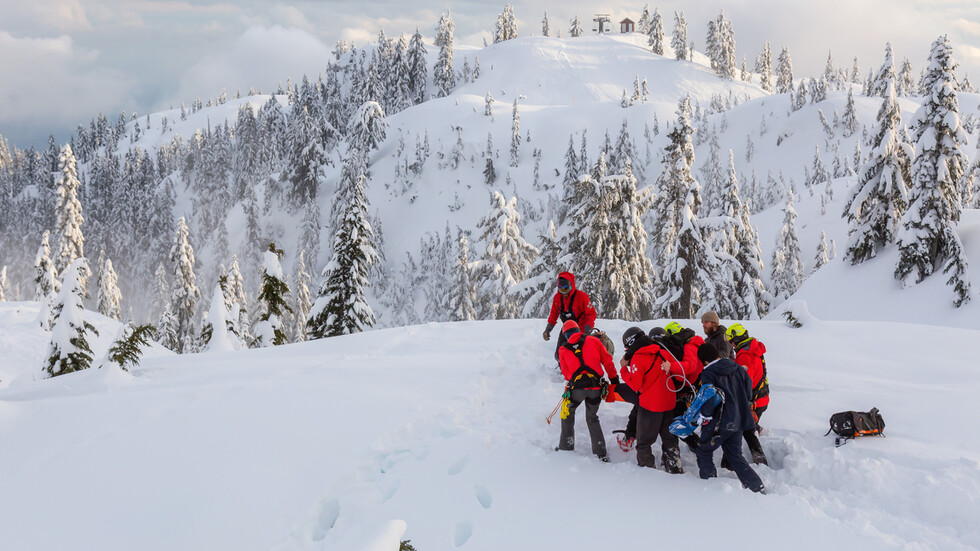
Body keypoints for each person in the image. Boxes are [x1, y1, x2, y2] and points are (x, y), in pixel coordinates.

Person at [692, 342, 766, 493]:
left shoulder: (709, 373)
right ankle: (756, 486)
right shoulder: (736, 367)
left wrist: (704, 416)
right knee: (735, 455)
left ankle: (710, 485)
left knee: (703, 451)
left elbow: (709, 398)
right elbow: (749, 390)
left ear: (704, 361)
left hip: (719, 422)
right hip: (739, 419)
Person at [619, 327, 685, 473]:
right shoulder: (661, 350)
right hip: (669, 402)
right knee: (669, 439)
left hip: (650, 406)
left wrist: (624, 370)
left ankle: (647, 472)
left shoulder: (638, 357)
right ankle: (675, 468)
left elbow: (636, 384)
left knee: (644, 442)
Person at [556, 320, 617, 461]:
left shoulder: (563, 349)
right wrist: (614, 379)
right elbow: (608, 361)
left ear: (565, 334)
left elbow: (566, 374)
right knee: (592, 417)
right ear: (578, 329)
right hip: (596, 388)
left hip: (576, 390)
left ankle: (566, 447)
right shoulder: (594, 341)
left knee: (567, 414)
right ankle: (600, 452)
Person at [727, 323, 770, 465]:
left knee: (740, 429)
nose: (731, 345)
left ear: (736, 340)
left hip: (753, 401)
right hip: (761, 399)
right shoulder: (754, 349)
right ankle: (755, 460)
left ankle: (731, 462)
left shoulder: (744, 356)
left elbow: (744, 383)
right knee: (747, 429)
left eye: (731, 341)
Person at [663, 321, 706, 453]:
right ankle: (696, 445)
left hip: (690, 387)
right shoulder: (692, 342)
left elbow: (690, 366)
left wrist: (671, 365)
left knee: (677, 421)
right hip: (690, 386)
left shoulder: (689, 345)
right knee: (679, 419)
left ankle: (697, 446)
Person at [542, 272, 598, 362]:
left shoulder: (582, 297)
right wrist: (548, 329)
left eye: (566, 288)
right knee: (559, 355)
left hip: (581, 329)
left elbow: (591, 314)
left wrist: (587, 331)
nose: (564, 292)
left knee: (581, 353)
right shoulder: (557, 298)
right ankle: (565, 369)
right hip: (567, 329)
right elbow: (553, 315)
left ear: (571, 285)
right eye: (561, 289)